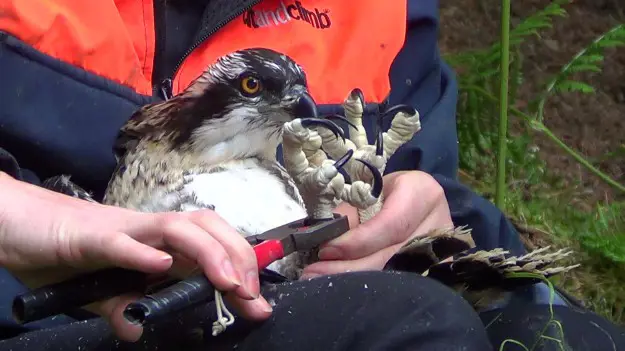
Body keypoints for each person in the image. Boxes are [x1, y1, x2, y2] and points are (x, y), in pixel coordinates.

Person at [0, 0, 623, 350]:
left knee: (568, 338)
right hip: (59, 316)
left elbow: (423, 184)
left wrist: (429, 228)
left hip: (313, 292)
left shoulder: (377, 12)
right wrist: (27, 219)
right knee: (415, 329)